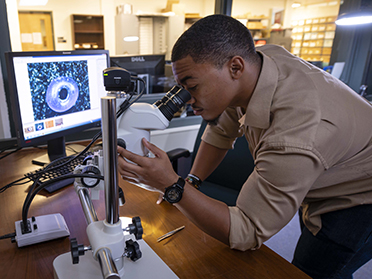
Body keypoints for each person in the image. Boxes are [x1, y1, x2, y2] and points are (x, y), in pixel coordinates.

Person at [117, 14, 372, 278]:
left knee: (312, 270)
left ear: (236, 68)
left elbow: (247, 231)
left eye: (192, 86)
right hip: (327, 173)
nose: (187, 100)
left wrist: (172, 186)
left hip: (359, 199)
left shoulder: (296, 132)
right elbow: (220, 132)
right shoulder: (256, 64)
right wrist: (191, 180)